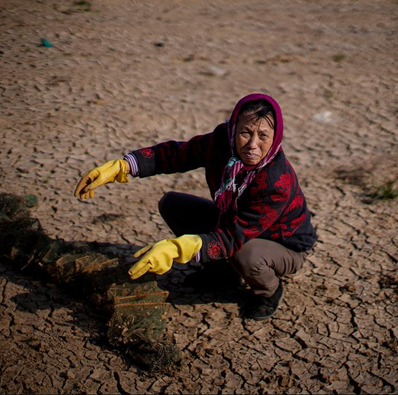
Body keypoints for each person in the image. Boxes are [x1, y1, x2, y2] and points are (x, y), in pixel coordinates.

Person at [74, 93, 317, 320]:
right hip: (234, 223)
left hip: (282, 246)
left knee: (246, 254)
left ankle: (268, 291)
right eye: (245, 132)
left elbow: (233, 237)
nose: (252, 144)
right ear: (233, 130)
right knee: (174, 205)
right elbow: (176, 155)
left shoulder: (276, 181)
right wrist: (124, 166)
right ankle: (221, 273)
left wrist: (179, 248)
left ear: (275, 137)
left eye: (263, 135)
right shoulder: (221, 142)